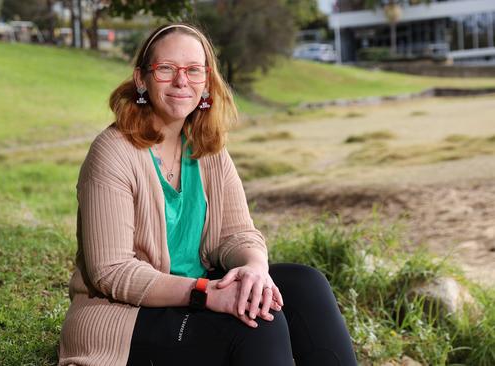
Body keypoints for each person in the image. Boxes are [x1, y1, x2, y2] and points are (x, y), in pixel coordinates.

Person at [58, 23, 357, 366]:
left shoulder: (205, 147)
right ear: (141, 79)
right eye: (166, 69)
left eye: (193, 70)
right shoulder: (112, 153)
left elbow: (237, 234)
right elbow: (111, 272)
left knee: (304, 285)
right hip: (123, 317)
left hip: (196, 292)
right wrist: (205, 294)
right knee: (256, 323)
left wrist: (255, 269)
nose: (181, 81)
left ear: (206, 81)